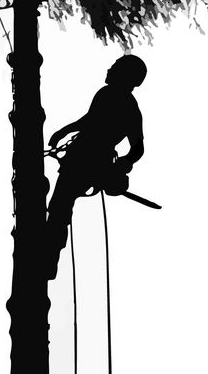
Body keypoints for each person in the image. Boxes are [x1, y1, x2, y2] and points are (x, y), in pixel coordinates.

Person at [45, 54, 147, 279]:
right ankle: (49, 257)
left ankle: (48, 258)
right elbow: (91, 120)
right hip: (83, 156)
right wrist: (66, 131)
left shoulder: (126, 105)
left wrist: (124, 163)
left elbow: (137, 147)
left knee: (59, 207)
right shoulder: (108, 95)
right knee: (59, 208)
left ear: (126, 76)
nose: (109, 68)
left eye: (116, 66)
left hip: (87, 160)